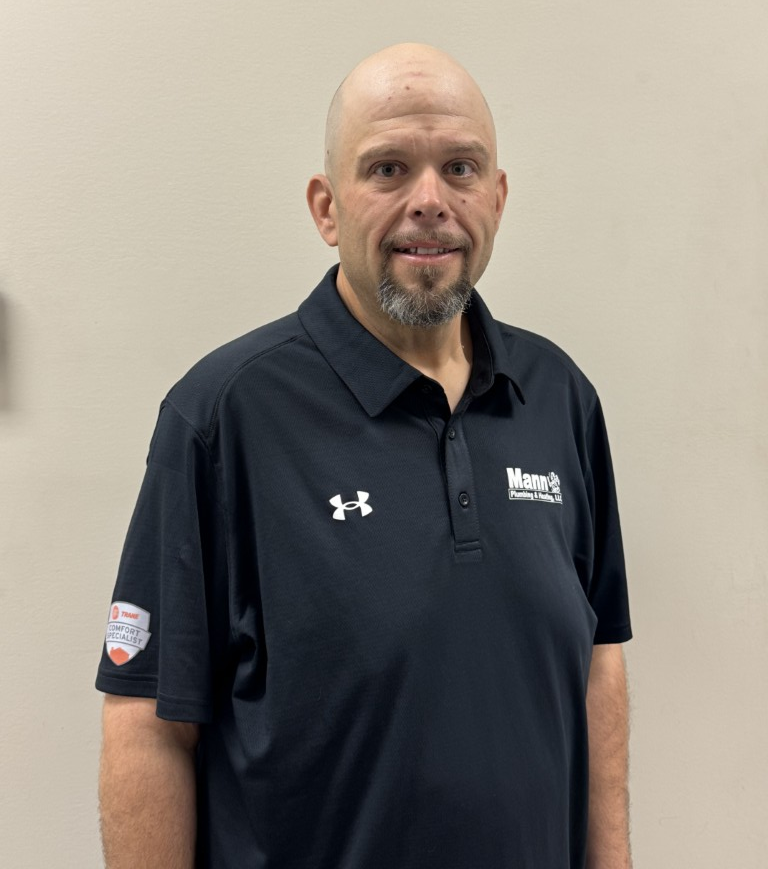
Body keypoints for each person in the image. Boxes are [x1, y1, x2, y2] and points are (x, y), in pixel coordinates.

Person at [97, 43, 632, 869]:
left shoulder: (559, 396)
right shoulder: (223, 415)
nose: (430, 202)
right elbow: (147, 724)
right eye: (387, 169)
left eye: (459, 168)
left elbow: (599, 666)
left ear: (497, 195)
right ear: (326, 207)